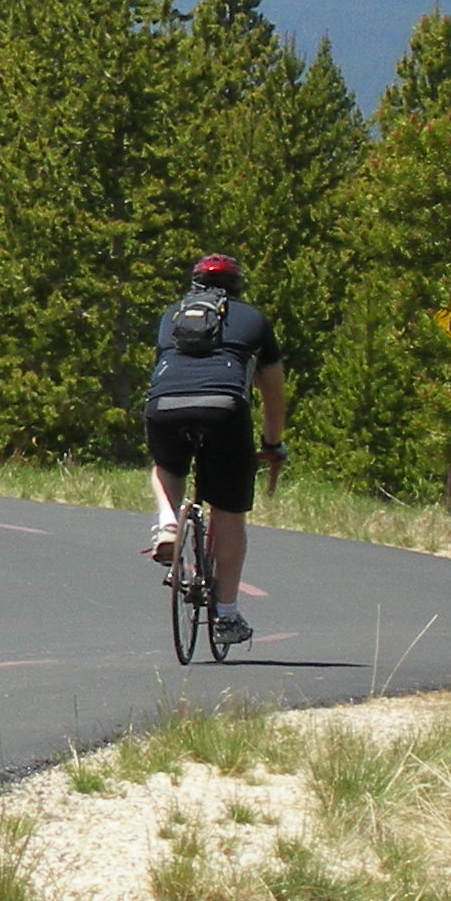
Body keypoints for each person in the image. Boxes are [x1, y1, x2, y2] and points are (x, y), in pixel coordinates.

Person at [142, 252, 286, 647]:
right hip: (224, 410)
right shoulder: (253, 320)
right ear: (236, 288)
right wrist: (272, 444)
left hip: (164, 406)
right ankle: (226, 615)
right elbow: (272, 394)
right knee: (229, 513)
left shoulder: (170, 316)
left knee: (165, 466)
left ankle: (168, 522)